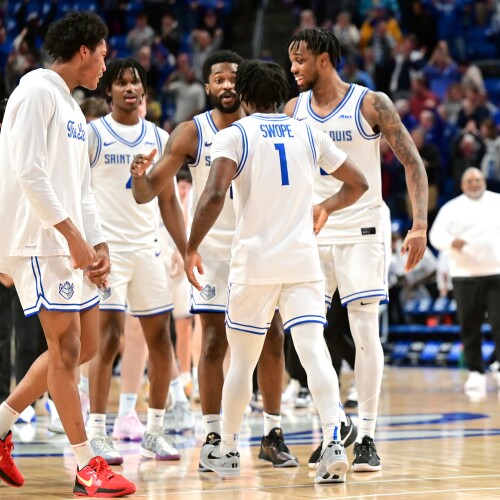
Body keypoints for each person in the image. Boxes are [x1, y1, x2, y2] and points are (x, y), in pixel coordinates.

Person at [183, 59, 368, 482]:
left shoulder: (235, 134)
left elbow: (213, 195)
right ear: (282, 95)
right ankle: (333, 442)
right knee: (314, 351)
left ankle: (228, 449)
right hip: (303, 261)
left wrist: (191, 247)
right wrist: (326, 206)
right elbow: (358, 182)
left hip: (255, 264)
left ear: (245, 98)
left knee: (242, 363)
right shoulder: (308, 132)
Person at [130, 50, 297, 470]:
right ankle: (212, 436)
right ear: (207, 86)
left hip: (260, 246)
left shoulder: (266, 127)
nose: (226, 85)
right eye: (218, 79)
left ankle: (272, 433)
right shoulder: (192, 132)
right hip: (214, 252)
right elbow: (147, 193)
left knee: (274, 336)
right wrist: (138, 175)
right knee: (212, 341)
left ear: (245, 85)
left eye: (232, 78)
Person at [0, 11, 135, 497]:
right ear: (83, 51)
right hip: (40, 239)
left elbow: (82, 190)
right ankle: (86, 466)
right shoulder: (35, 91)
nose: (105, 65)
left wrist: (97, 243)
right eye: (102, 55)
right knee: (67, 349)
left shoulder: (73, 110)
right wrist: (72, 237)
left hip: (69, 241)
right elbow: (28, 173)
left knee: (88, 346)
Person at [285, 28, 428, 471]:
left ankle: (366, 435)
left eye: (300, 60)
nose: (293, 68)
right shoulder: (292, 110)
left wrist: (419, 224)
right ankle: (333, 428)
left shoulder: (370, 104)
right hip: (313, 229)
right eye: (291, 61)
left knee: (364, 331)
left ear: (324, 59)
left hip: (363, 226)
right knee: (306, 334)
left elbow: (412, 162)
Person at [86, 58, 186, 464]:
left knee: (161, 341)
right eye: (121, 82)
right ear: (108, 90)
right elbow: (78, 192)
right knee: (108, 339)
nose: (130, 88)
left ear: (144, 90)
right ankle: (97, 433)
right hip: (107, 250)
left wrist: (185, 247)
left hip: (147, 249)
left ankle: (155, 431)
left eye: (135, 82)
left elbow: (169, 201)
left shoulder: (159, 137)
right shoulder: (93, 134)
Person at [429, 167, 500, 399]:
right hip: (465, 275)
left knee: (499, 323)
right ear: (462, 185)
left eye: (477, 179)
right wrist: (451, 242)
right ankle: (475, 371)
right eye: (469, 180)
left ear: (484, 181)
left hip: (497, 273)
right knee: (469, 324)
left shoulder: (497, 201)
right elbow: (435, 236)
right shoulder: (451, 208)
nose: (474, 183)